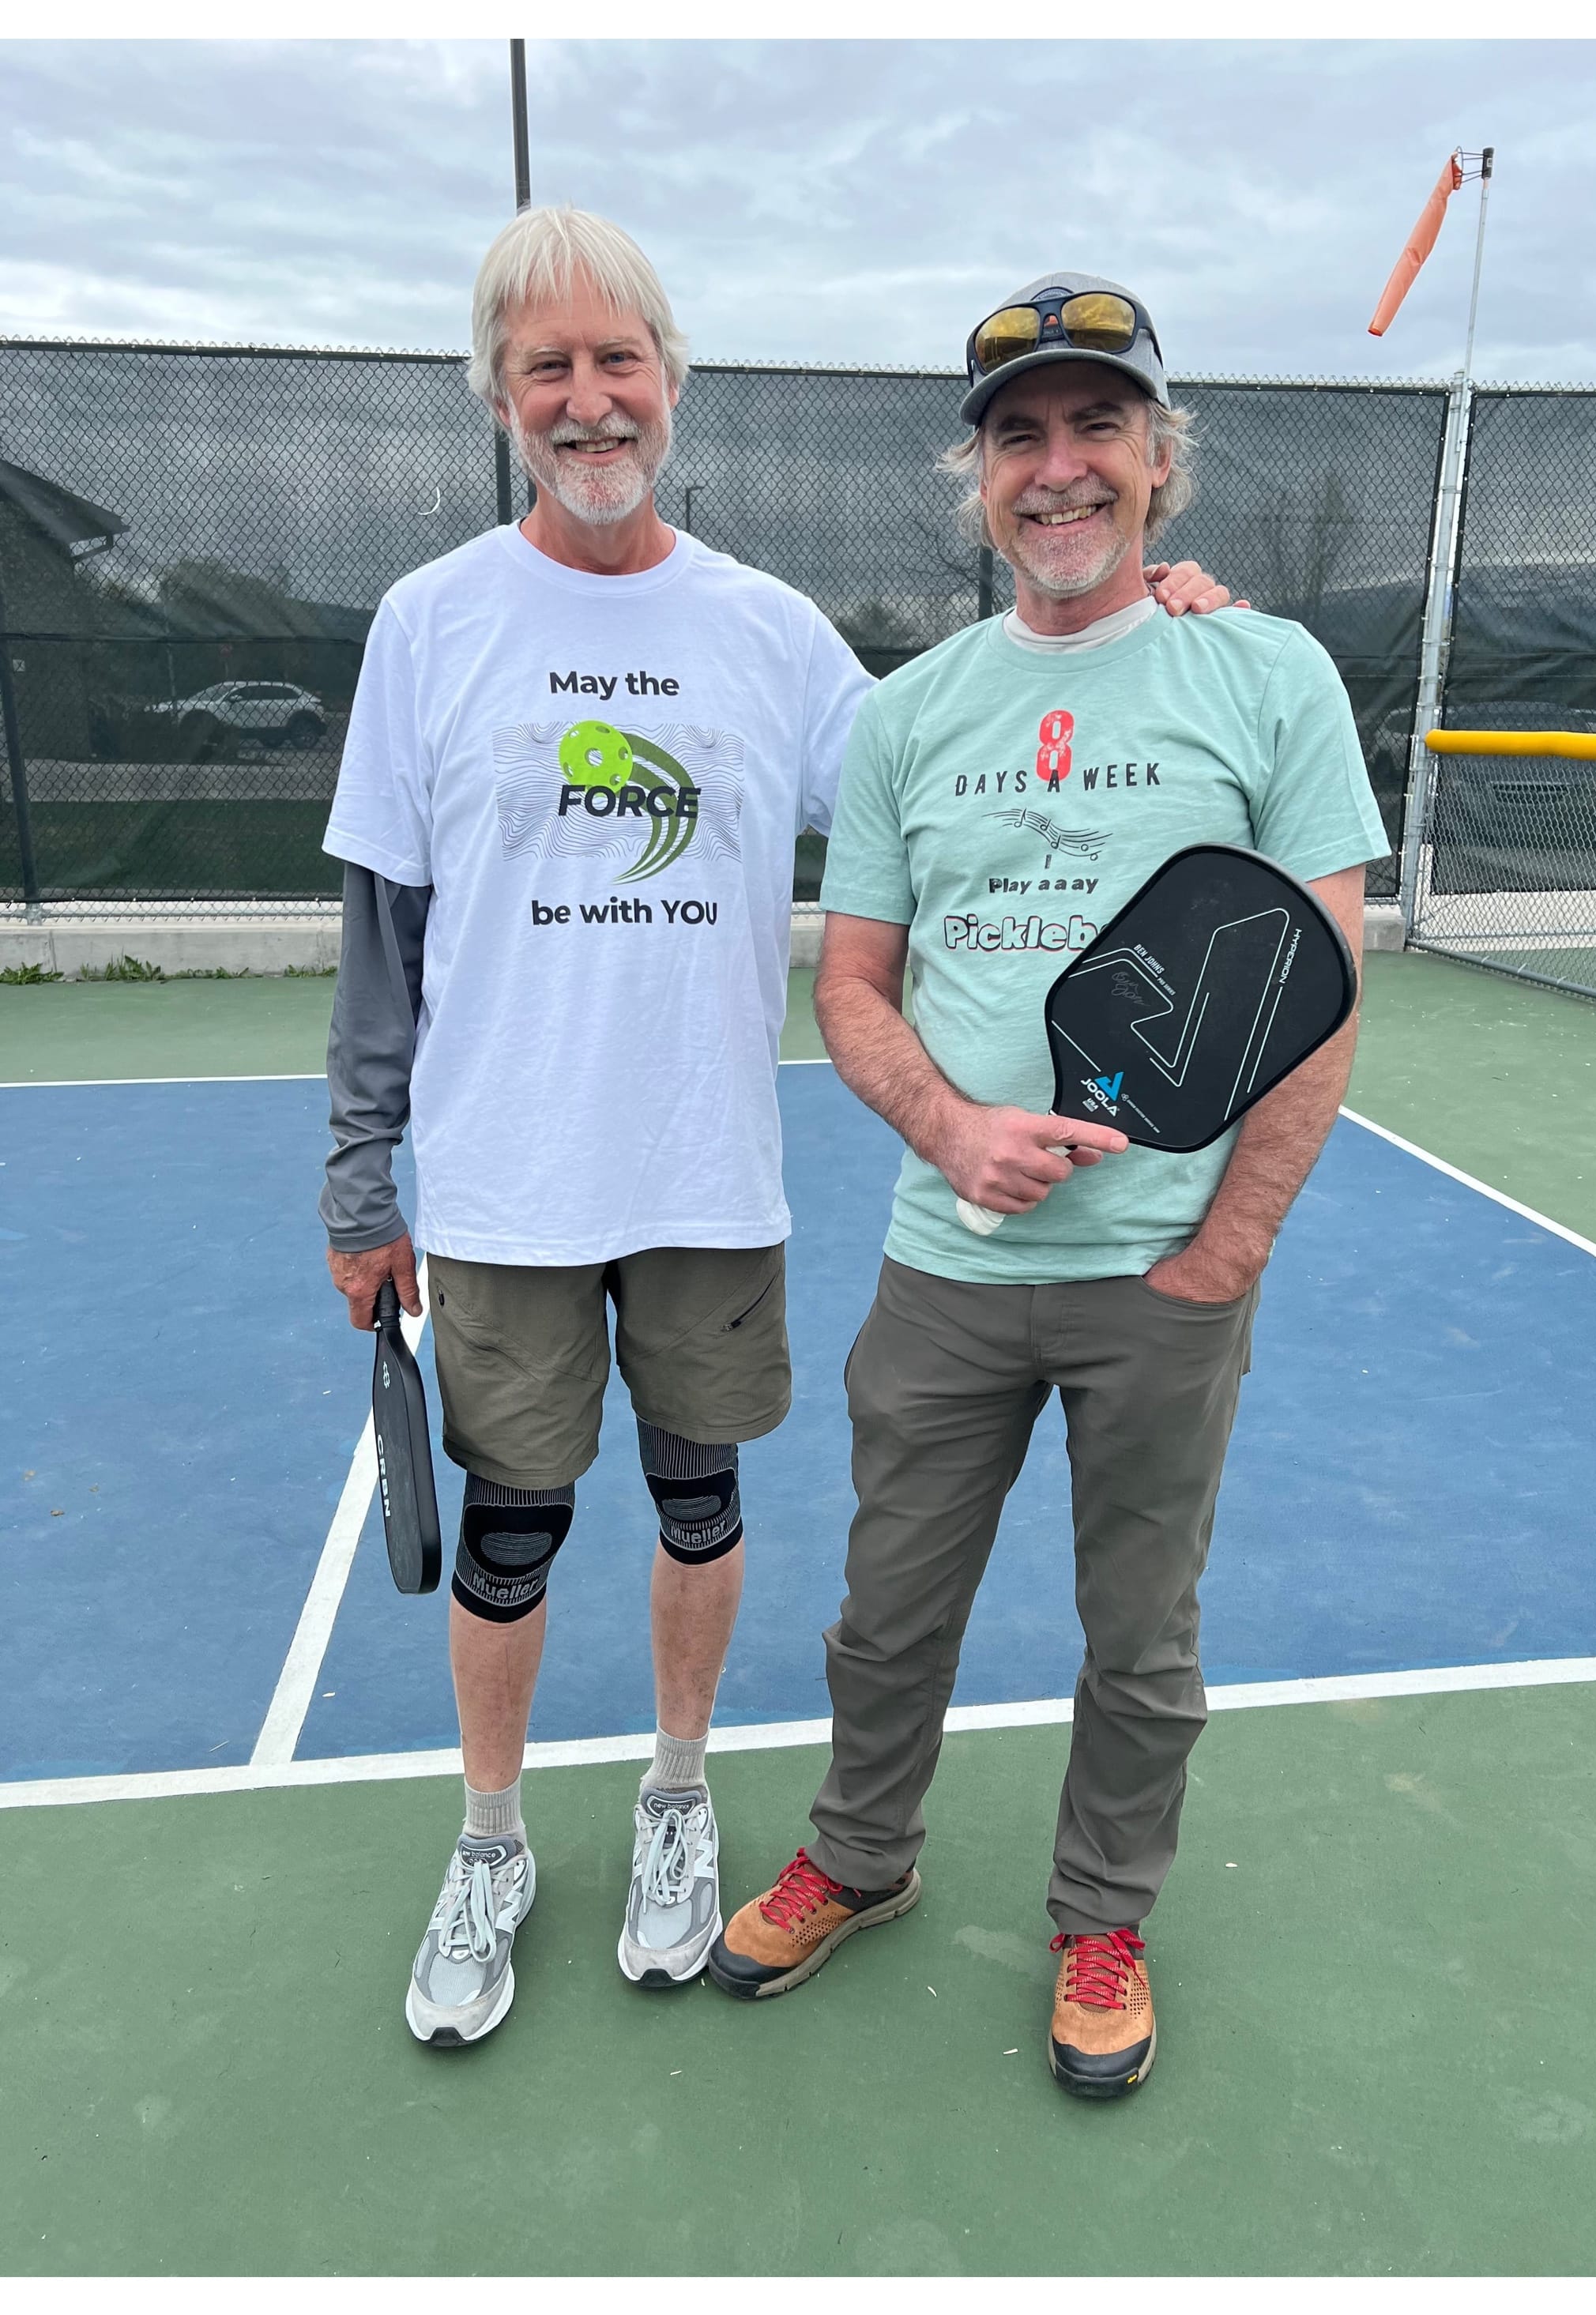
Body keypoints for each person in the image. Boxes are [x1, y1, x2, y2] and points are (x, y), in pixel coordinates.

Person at [319, 220, 1235, 2048]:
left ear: (672, 379)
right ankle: (490, 1834)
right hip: (504, 1186)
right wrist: (361, 1175)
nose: (589, 401)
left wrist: (1146, 628)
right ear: (503, 398)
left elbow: (971, 750)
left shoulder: (766, 631)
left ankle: (675, 1798)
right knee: (510, 1531)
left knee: (696, 1501)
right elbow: (381, 929)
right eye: (547, 369)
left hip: (702, 1179)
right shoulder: (431, 621)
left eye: (619, 361)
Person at [709, 272, 1389, 2102]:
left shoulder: (1265, 671)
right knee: (886, 1611)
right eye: (1020, 435)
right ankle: (861, 1854)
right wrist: (950, 1131)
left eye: (1098, 427)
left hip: (1161, 1280)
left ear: (1160, 461)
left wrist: (1223, 1248)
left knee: (1138, 1641)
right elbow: (851, 982)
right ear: (979, 479)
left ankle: (1102, 1914)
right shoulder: (915, 710)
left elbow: (1317, 990)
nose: (1059, 466)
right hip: (946, 1268)